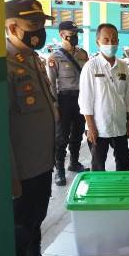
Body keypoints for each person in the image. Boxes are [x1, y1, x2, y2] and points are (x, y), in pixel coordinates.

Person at [5, 0, 66, 256]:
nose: (39, 30)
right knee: (19, 226)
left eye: (42, 24)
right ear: (12, 26)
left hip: (42, 160)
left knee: (37, 215)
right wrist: (11, 175)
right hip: (22, 168)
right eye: (33, 25)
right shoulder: (3, 65)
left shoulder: (34, 59)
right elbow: (1, 127)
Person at [78, 23, 129, 171]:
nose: (111, 43)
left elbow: (127, 96)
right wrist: (91, 128)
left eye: (114, 40)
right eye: (106, 40)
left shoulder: (123, 67)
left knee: (124, 162)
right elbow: (85, 101)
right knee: (98, 165)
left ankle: (122, 190)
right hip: (98, 127)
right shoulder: (91, 67)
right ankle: (99, 193)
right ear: (98, 42)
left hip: (119, 124)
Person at [47, 21, 89, 186]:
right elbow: (51, 84)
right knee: (61, 137)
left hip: (81, 99)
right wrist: (55, 107)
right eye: (72, 34)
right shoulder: (54, 58)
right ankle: (59, 170)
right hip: (64, 100)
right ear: (62, 35)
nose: (75, 37)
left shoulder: (83, 55)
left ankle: (74, 163)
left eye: (76, 33)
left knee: (77, 133)